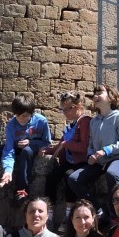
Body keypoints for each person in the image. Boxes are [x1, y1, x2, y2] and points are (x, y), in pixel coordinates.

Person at [66, 84, 119, 212]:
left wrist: (106, 150)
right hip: (98, 161)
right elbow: (90, 143)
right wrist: (90, 155)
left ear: (111, 97)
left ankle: (115, 213)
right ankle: (98, 209)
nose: (95, 96)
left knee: (112, 174)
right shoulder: (94, 121)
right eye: (94, 93)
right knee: (73, 179)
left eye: (99, 93)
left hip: (116, 158)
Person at [0, 96, 51, 196]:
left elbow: (47, 142)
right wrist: (8, 170)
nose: (21, 119)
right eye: (17, 115)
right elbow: (9, 149)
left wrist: (31, 143)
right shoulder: (11, 125)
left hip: (31, 147)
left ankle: (21, 189)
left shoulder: (41, 121)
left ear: (31, 114)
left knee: (26, 151)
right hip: (15, 146)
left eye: (25, 116)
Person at [43, 91, 91, 226]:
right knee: (52, 177)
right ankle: (50, 215)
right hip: (69, 162)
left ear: (78, 106)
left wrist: (66, 144)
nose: (65, 112)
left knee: (70, 177)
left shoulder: (85, 122)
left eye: (68, 109)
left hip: (81, 162)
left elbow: (84, 146)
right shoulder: (70, 125)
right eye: (63, 109)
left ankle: (68, 217)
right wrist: (47, 150)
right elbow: (61, 145)